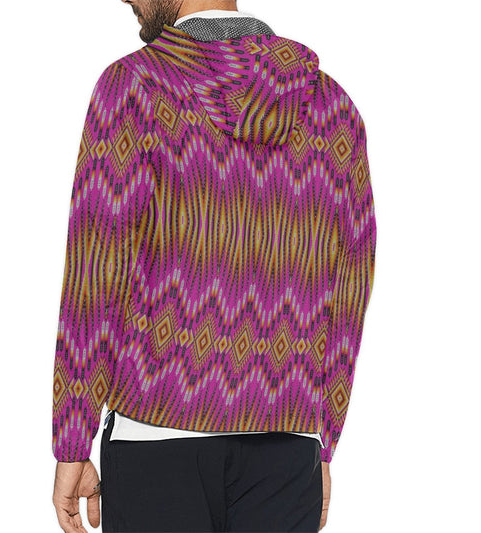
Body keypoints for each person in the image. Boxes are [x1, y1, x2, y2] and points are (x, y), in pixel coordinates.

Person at [51, 1, 377, 532]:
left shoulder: (136, 87)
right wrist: (323, 442)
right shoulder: (332, 107)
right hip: (286, 451)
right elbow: (350, 285)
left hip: (155, 443)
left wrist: (72, 438)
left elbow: (97, 274)